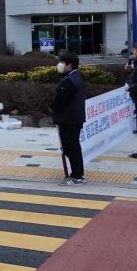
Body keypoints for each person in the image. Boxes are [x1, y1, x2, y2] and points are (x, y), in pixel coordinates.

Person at [49, 52, 86, 186]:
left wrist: (52, 107)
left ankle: (75, 176)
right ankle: (79, 174)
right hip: (75, 118)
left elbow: (61, 99)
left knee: (70, 148)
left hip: (68, 119)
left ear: (69, 65)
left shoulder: (69, 81)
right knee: (75, 147)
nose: (60, 65)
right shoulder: (76, 77)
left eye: (63, 63)